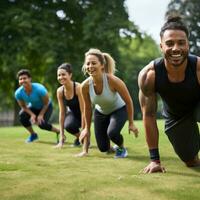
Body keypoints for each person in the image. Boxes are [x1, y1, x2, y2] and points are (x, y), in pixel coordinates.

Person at [138, 15, 200, 173]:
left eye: (181, 42)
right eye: (169, 43)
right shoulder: (149, 75)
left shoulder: (198, 68)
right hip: (176, 117)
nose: (176, 48)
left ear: (188, 44)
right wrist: (154, 160)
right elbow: (149, 115)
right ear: (161, 46)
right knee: (190, 160)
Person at [79, 48, 138, 157]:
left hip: (119, 109)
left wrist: (131, 123)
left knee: (112, 133)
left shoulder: (113, 80)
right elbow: (87, 108)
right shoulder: (85, 86)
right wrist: (86, 128)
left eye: (94, 63)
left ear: (102, 65)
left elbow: (129, 101)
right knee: (103, 148)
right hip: (100, 112)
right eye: (88, 64)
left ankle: (121, 147)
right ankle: (111, 147)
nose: (90, 66)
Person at [15, 69, 60, 143]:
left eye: (25, 78)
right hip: (34, 107)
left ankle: (58, 131)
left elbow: (46, 103)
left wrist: (41, 115)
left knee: (42, 124)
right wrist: (32, 115)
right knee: (22, 115)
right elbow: (23, 107)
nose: (23, 80)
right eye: (20, 79)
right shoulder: (18, 93)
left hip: (47, 106)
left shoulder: (40, 89)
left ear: (30, 79)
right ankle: (33, 135)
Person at [55, 63, 84, 148]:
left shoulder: (78, 87)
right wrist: (61, 136)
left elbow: (83, 111)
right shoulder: (60, 91)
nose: (61, 77)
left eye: (63, 74)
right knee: (68, 126)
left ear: (70, 75)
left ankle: (83, 138)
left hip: (84, 112)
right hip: (73, 113)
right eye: (59, 75)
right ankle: (79, 138)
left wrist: (84, 131)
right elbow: (62, 113)